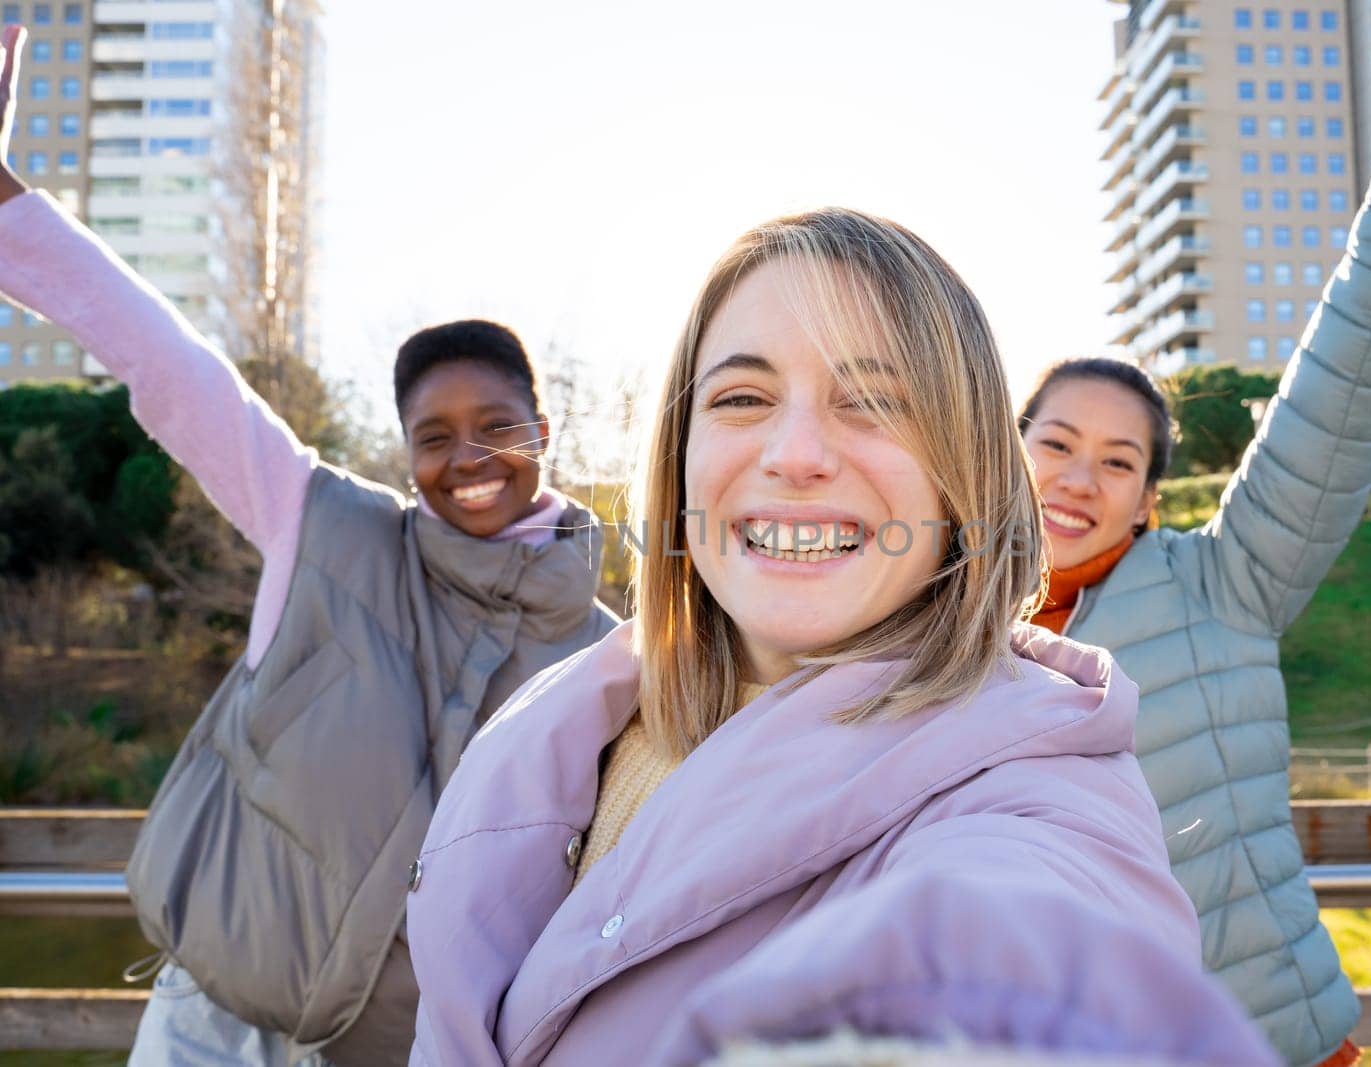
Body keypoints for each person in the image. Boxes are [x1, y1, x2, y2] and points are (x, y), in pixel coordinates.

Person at [404, 209, 1282, 1067]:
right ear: (678, 453)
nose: (796, 452)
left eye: (872, 402)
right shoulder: (566, 715)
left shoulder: (1029, 791)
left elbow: (1024, 958)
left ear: (964, 473)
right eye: (742, 396)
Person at [0, 26, 617, 1064]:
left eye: (498, 425)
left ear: (543, 434)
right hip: (208, 1026)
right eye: (435, 435)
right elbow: (169, 363)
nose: (469, 456)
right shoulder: (325, 526)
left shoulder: (610, 659)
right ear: (405, 451)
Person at [1016, 3, 1371, 1065]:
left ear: (1152, 494)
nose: (1078, 478)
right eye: (1055, 443)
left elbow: (1336, 397)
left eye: (1117, 460)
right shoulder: (941, 632)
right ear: (1004, 452)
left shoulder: (1224, 586)